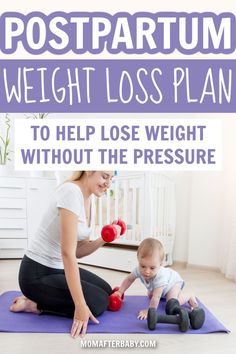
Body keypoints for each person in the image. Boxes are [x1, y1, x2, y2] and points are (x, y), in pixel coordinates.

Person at [10, 171, 120, 338]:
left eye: (111, 178)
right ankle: (34, 304)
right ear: (89, 170)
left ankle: (45, 297)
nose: (108, 184)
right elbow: (68, 254)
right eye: (105, 177)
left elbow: (78, 251)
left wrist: (104, 239)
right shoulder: (71, 192)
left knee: (106, 291)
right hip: (36, 274)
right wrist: (80, 305)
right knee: (98, 303)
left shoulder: (89, 200)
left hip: (57, 268)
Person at [113, 237, 198, 320]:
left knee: (171, 304)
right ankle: (164, 294)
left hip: (173, 283)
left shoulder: (160, 277)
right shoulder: (138, 270)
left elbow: (156, 297)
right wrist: (120, 291)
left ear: (160, 264)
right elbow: (129, 279)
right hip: (161, 286)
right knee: (150, 295)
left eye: (152, 268)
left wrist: (149, 311)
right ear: (138, 260)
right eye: (143, 266)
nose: (147, 271)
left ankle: (189, 295)